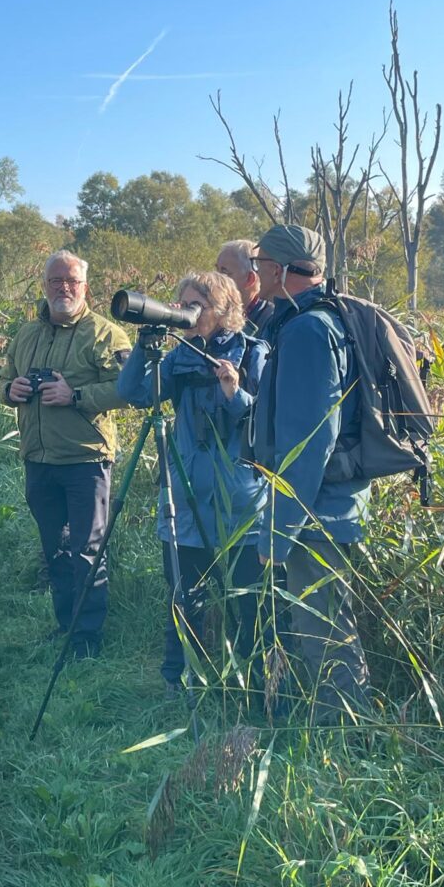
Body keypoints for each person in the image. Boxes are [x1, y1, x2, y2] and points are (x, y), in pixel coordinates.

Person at [118, 272, 270, 697]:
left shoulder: (253, 353)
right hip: (185, 499)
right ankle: (181, 681)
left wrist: (234, 392)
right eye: (182, 304)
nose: (187, 313)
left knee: (247, 601)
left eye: (196, 305)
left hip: (241, 502)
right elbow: (134, 393)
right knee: (185, 597)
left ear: (222, 308)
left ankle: (254, 687)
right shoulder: (179, 357)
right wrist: (145, 348)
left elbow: (267, 424)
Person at [249, 223, 372, 722]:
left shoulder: (307, 330)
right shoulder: (318, 318)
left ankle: (344, 742)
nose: (256, 274)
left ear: (278, 270)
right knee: (325, 626)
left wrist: (277, 532)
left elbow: (308, 442)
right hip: (329, 504)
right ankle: (344, 730)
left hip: (316, 513)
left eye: (259, 266)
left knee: (325, 630)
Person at [0, 250, 131, 658]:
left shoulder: (107, 334)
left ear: (85, 286)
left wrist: (75, 396)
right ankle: (65, 626)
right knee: (54, 548)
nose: (64, 288)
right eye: (56, 281)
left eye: (72, 281)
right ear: (45, 285)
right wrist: (11, 391)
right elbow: (2, 379)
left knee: (87, 549)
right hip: (38, 459)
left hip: (85, 460)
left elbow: (129, 389)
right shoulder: (26, 334)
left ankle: (87, 637)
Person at [217, 239, 274, 337]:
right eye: (216, 271)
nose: (215, 280)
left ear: (249, 279)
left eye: (224, 273)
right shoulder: (214, 313)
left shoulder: (271, 322)